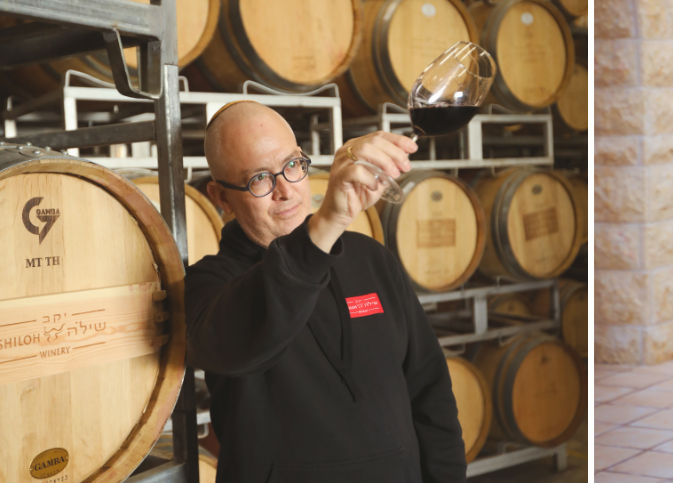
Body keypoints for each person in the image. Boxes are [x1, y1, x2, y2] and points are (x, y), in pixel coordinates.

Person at [187, 101, 466, 483]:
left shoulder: (371, 259)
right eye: (259, 180)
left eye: (292, 165)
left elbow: (430, 391)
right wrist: (328, 223)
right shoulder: (208, 287)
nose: (285, 190)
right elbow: (238, 342)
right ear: (221, 197)